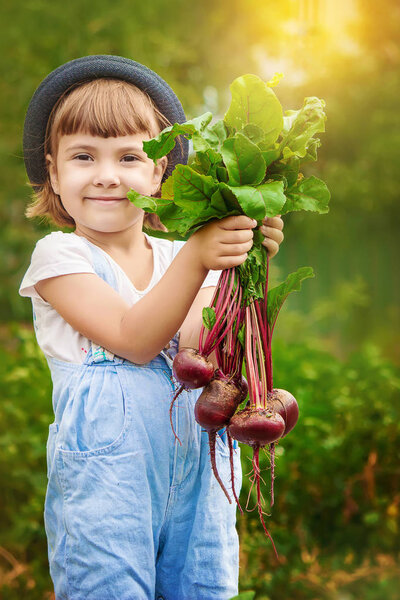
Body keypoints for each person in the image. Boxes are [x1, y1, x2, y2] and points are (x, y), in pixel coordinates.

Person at [19, 55, 284, 600]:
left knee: (205, 588)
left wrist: (242, 259)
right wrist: (199, 259)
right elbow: (135, 340)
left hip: (201, 487)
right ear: (53, 171)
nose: (107, 174)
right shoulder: (59, 258)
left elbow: (196, 349)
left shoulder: (176, 256)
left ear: (161, 171)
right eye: (83, 156)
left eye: (130, 156)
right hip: (106, 497)